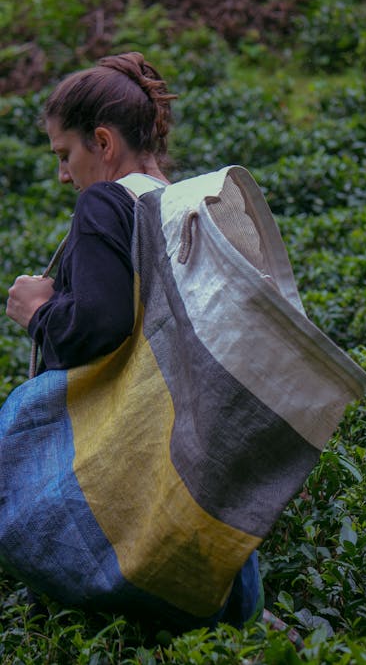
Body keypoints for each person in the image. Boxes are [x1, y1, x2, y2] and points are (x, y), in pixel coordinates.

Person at [5, 52, 264, 633]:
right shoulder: (180, 204)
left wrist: (38, 311)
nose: (63, 176)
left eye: (64, 155)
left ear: (102, 141)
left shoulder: (105, 202)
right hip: (188, 435)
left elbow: (97, 328)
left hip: (127, 428)